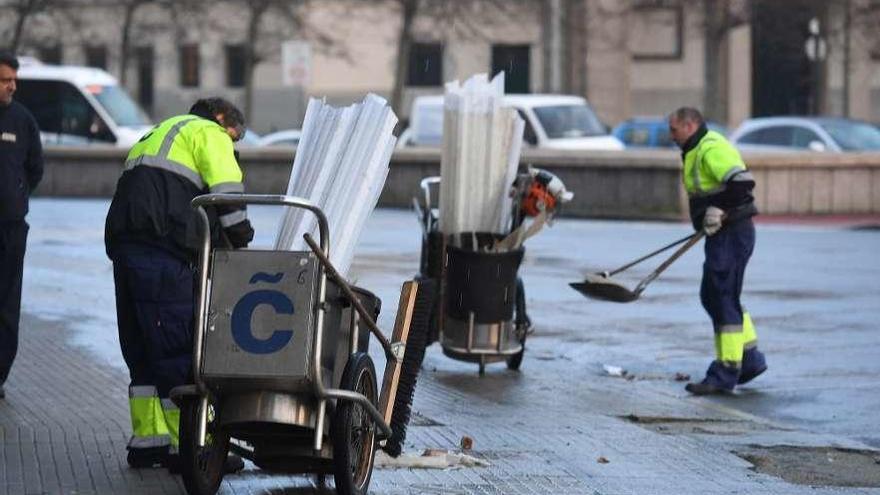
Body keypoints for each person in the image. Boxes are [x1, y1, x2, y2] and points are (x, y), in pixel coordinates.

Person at [105, 97, 254, 470]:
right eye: (233, 139)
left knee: (142, 347)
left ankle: (147, 441)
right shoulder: (209, 132)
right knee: (174, 348)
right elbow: (226, 194)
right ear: (223, 121)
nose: (232, 148)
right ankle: (187, 446)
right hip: (161, 251)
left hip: (127, 247)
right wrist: (241, 237)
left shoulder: (159, 132)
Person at [668, 107, 767, 396]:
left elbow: (743, 183)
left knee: (721, 294)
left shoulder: (710, 146)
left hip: (733, 232)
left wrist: (718, 209)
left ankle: (725, 372)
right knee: (716, 294)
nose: (671, 136)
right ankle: (749, 360)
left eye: (674, 130)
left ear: (690, 125)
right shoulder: (695, 149)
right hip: (723, 233)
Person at [0, 52, 44, 399]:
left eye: (13, 79)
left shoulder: (22, 119)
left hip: (11, 228)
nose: (12, 85)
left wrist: (15, 196)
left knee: (7, 304)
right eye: (5, 79)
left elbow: (35, 169)